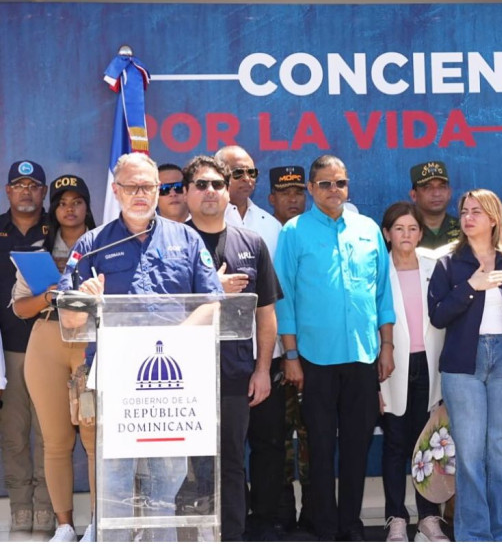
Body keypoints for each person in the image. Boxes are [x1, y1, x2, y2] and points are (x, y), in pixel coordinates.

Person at [58, 152, 222, 541]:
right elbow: (69, 320)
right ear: (116, 191)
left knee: (167, 481)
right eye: (130, 186)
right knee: (115, 482)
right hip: (117, 381)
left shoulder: (185, 237)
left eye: (148, 186)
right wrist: (84, 299)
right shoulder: (92, 244)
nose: (140, 193)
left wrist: (172, 343)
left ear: (159, 190)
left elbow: (213, 303)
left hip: (173, 382)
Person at [274, 154, 395, 541]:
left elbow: (382, 294)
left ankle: (351, 526)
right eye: (325, 184)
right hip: (314, 359)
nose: (333, 190)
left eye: (340, 183)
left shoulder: (368, 229)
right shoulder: (293, 232)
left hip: (362, 357)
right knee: (322, 449)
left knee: (357, 449)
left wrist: (387, 345)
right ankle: (326, 529)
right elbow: (284, 298)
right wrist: (290, 356)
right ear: (311, 189)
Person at [183, 155, 282, 541]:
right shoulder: (170, 241)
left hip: (235, 374)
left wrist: (262, 370)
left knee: (231, 465)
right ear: (188, 193)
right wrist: (213, 293)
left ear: (229, 193)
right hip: (182, 376)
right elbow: (159, 310)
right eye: (201, 185)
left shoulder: (252, 243)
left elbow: (266, 314)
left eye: (217, 185)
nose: (210, 192)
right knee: (188, 468)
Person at [428, 188, 502, 542]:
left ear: (493, 218)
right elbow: (439, 315)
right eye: (464, 211)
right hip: (463, 364)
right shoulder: (448, 264)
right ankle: (473, 533)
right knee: (471, 453)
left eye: (477, 211)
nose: (468, 217)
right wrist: (471, 287)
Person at [12, 175, 97, 542]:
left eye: (77, 201)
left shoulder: (106, 243)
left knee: (95, 439)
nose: (70, 208)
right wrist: (49, 295)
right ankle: (65, 525)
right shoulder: (38, 251)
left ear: (88, 207)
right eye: (63, 202)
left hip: (91, 341)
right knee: (55, 439)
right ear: (54, 208)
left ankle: (97, 521)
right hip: (46, 337)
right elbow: (19, 308)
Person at [380, 202, 448, 543]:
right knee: (394, 444)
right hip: (391, 367)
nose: (406, 235)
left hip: (430, 365)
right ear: (386, 234)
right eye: (398, 229)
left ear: (421, 233)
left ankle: (428, 519)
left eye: (412, 229)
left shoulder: (435, 267)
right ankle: (396, 518)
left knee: (428, 446)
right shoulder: (378, 270)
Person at [0, 160, 54, 535]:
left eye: (33, 185)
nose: (26, 191)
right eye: (18, 185)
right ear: (7, 192)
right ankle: (20, 505)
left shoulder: (61, 228)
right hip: (9, 348)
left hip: (52, 343)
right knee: (14, 431)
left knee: (51, 433)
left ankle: (48, 506)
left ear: (43, 192)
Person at [262, 166, 314, 538]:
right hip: (273, 355)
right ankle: (280, 514)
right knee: (276, 440)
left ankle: (313, 513)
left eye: (299, 192)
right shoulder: (263, 231)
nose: (293, 199)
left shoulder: (314, 230)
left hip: (310, 352)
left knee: (312, 435)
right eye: (286, 193)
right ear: (272, 199)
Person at [216, 145, 282, 253]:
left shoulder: (272, 225)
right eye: (238, 172)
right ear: (218, 175)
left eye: (251, 172)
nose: (247, 179)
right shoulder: (205, 221)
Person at [409, 161, 460, 249]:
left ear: (449, 192)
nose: (436, 193)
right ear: (414, 195)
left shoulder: (463, 229)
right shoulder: (403, 231)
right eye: (427, 187)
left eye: (442, 186)